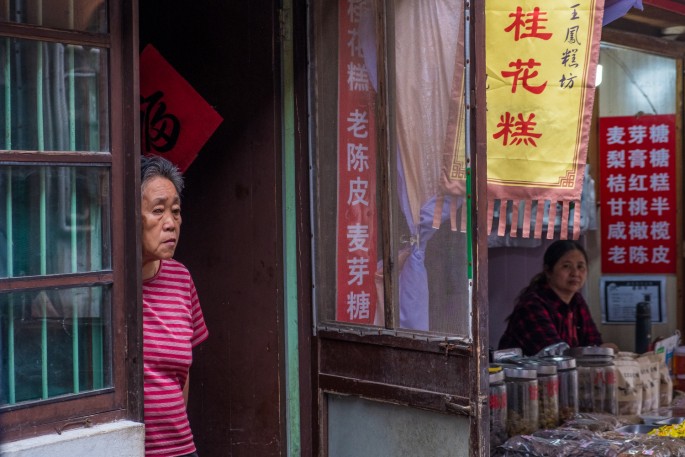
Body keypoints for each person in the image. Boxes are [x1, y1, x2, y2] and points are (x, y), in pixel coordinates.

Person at [140, 155, 208, 457]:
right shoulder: (110, 288)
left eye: (176, 212)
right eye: (158, 211)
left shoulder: (181, 279)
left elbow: (183, 372)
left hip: (181, 449)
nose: (171, 223)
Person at [498, 240, 608, 356]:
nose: (575, 273)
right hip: (524, 373)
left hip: (562, 372)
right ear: (548, 271)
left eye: (580, 267)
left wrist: (602, 349)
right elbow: (553, 354)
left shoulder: (577, 301)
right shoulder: (532, 305)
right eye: (566, 266)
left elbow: (593, 342)